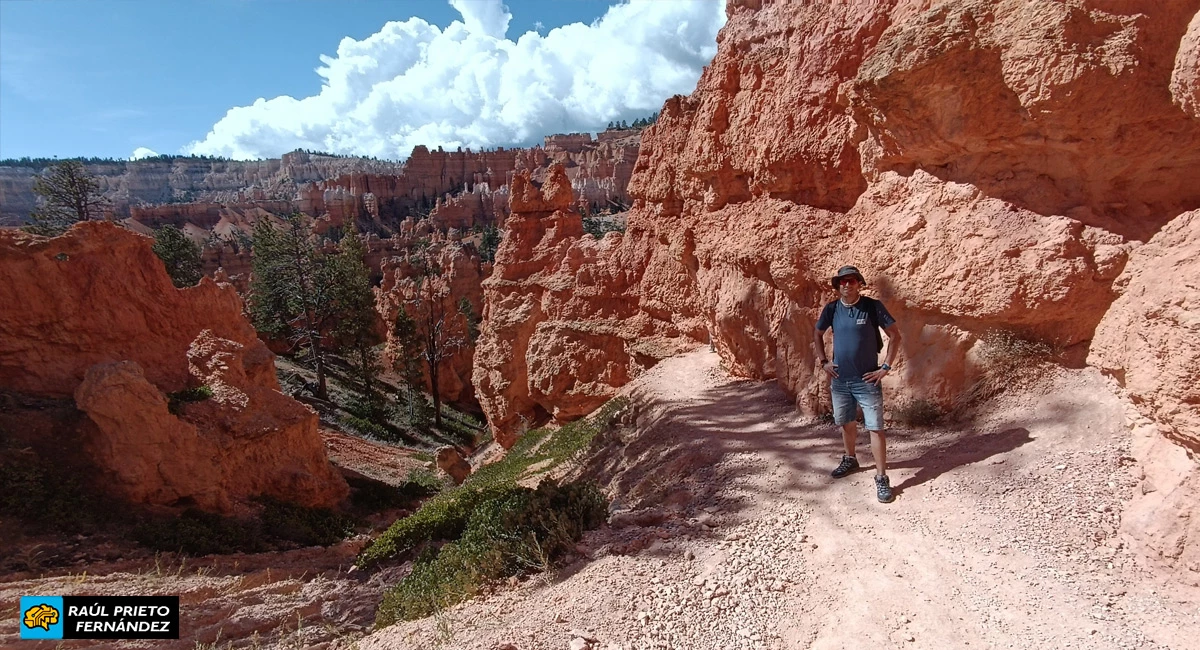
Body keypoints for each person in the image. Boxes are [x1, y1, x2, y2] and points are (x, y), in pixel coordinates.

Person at [812, 265, 902, 503]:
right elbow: (817, 334)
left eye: (851, 281)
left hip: (867, 380)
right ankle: (850, 458)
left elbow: (895, 335)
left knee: (875, 428)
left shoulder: (872, 307)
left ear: (859, 284)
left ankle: (881, 478)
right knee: (846, 421)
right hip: (841, 379)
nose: (846, 285)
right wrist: (824, 362)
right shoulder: (831, 309)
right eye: (842, 282)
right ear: (837, 286)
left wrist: (885, 368)